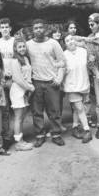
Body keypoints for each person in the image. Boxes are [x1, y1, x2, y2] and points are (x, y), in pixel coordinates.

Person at [25, 19, 66, 147]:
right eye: (36, 28)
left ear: (45, 28)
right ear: (33, 30)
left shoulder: (53, 43)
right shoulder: (28, 45)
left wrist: (59, 78)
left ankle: (56, 134)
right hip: (36, 82)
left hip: (51, 82)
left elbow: (62, 62)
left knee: (54, 110)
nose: (38, 30)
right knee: (37, 111)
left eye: (41, 27)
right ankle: (40, 135)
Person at [62, 35, 92, 142]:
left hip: (84, 84)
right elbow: (61, 69)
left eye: (71, 39)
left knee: (76, 109)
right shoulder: (63, 55)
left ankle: (74, 127)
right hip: (72, 86)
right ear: (65, 43)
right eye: (67, 40)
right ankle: (87, 130)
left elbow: (90, 63)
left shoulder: (83, 51)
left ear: (75, 41)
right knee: (80, 108)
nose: (70, 42)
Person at [8, 37, 35, 151]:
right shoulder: (15, 61)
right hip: (18, 91)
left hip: (25, 91)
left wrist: (28, 88)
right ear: (15, 48)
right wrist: (30, 87)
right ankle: (18, 143)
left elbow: (27, 75)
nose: (22, 48)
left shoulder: (25, 59)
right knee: (18, 117)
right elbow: (18, 79)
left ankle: (21, 139)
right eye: (19, 46)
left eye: (24, 46)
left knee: (22, 117)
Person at [0, 18, 15, 149]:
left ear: (10, 28)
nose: (5, 29)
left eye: (7, 27)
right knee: (5, 110)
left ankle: (19, 134)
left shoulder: (15, 41)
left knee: (19, 108)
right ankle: (7, 137)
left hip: (15, 80)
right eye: (2, 27)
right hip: (2, 80)